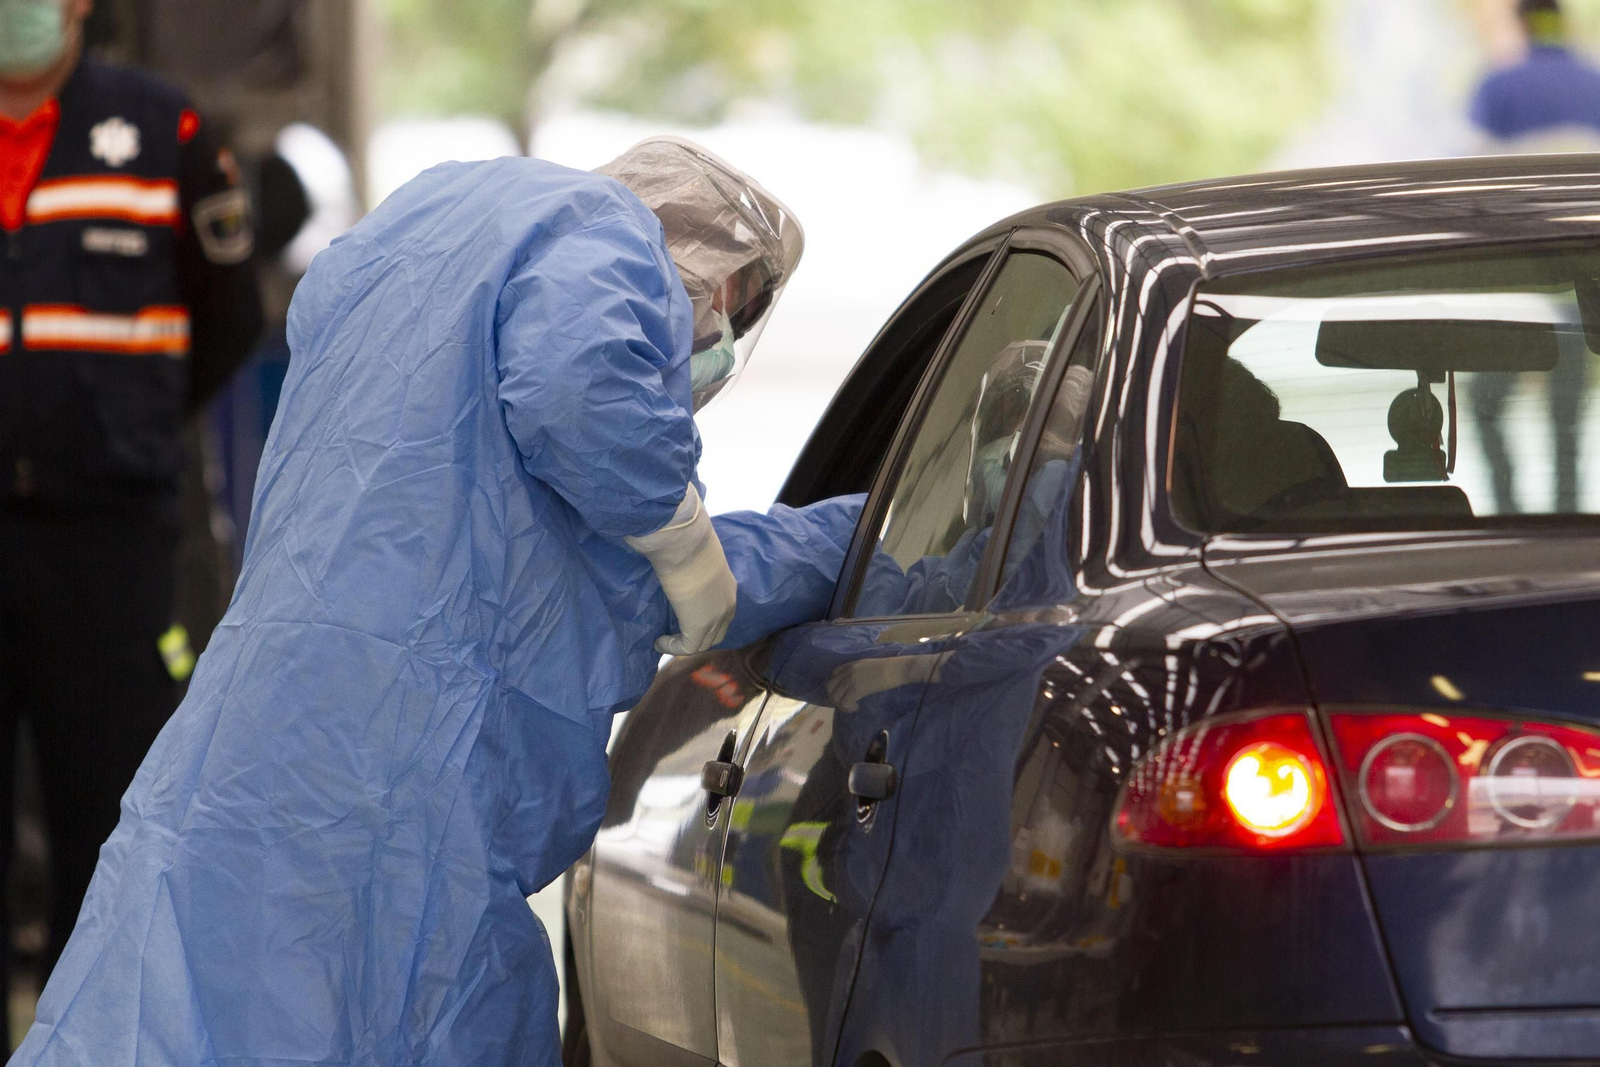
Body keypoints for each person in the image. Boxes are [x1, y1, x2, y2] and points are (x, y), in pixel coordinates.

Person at [12, 138, 863, 1066]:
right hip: (410, 791)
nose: (708, 349)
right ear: (714, 273)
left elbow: (599, 566)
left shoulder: (427, 258)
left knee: (183, 1000)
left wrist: (818, 539)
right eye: (724, 319)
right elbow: (578, 393)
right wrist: (686, 529)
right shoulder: (604, 234)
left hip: (254, 750)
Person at [0, 0, 262, 1036]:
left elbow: (229, 314)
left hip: (108, 542)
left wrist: (122, 420)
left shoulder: (163, 131)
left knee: (106, 814)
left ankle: (89, 1042)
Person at [1467, 0, 1592, 513]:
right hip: (1583, 288)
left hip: (1517, 291)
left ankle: (1508, 515)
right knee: (1567, 416)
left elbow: (1466, 189)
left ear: (1521, 23)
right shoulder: (1595, 84)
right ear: (1562, 21)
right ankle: (1567, 528)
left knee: (1485, 403)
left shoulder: (1498, 88)